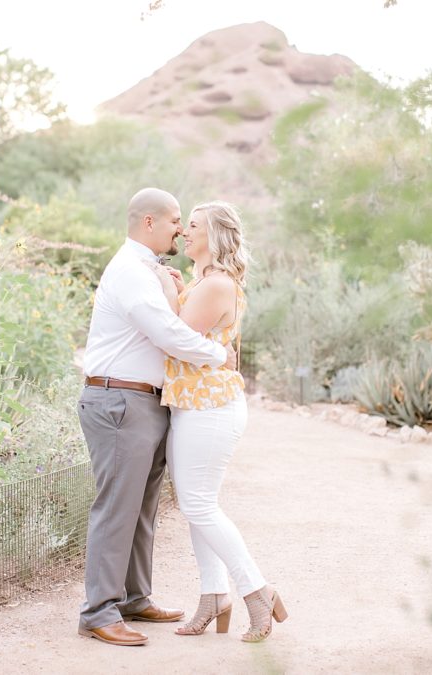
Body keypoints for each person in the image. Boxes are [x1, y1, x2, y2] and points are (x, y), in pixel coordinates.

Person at [77, 188, 238, 647]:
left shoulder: (148, 272)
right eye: (175, 221)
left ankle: (132, 597)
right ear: (149, 222)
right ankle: (98, 611)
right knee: (116, 508)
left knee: (142, 508)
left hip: (145, 401)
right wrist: (216, 355)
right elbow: (167, 332)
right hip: (118, 401)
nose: (181, 229)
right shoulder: (129, 271)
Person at [146, 200, 287, 643]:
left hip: (210, 409)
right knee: (197, 506)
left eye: (193, 226)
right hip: (194, 407)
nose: (185, 233)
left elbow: (176, 340)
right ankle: (212, 596)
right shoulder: (202, 281)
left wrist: (167, 290)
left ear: (215, 236)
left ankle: (256, 591)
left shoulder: (215, 285)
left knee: (200, 506)